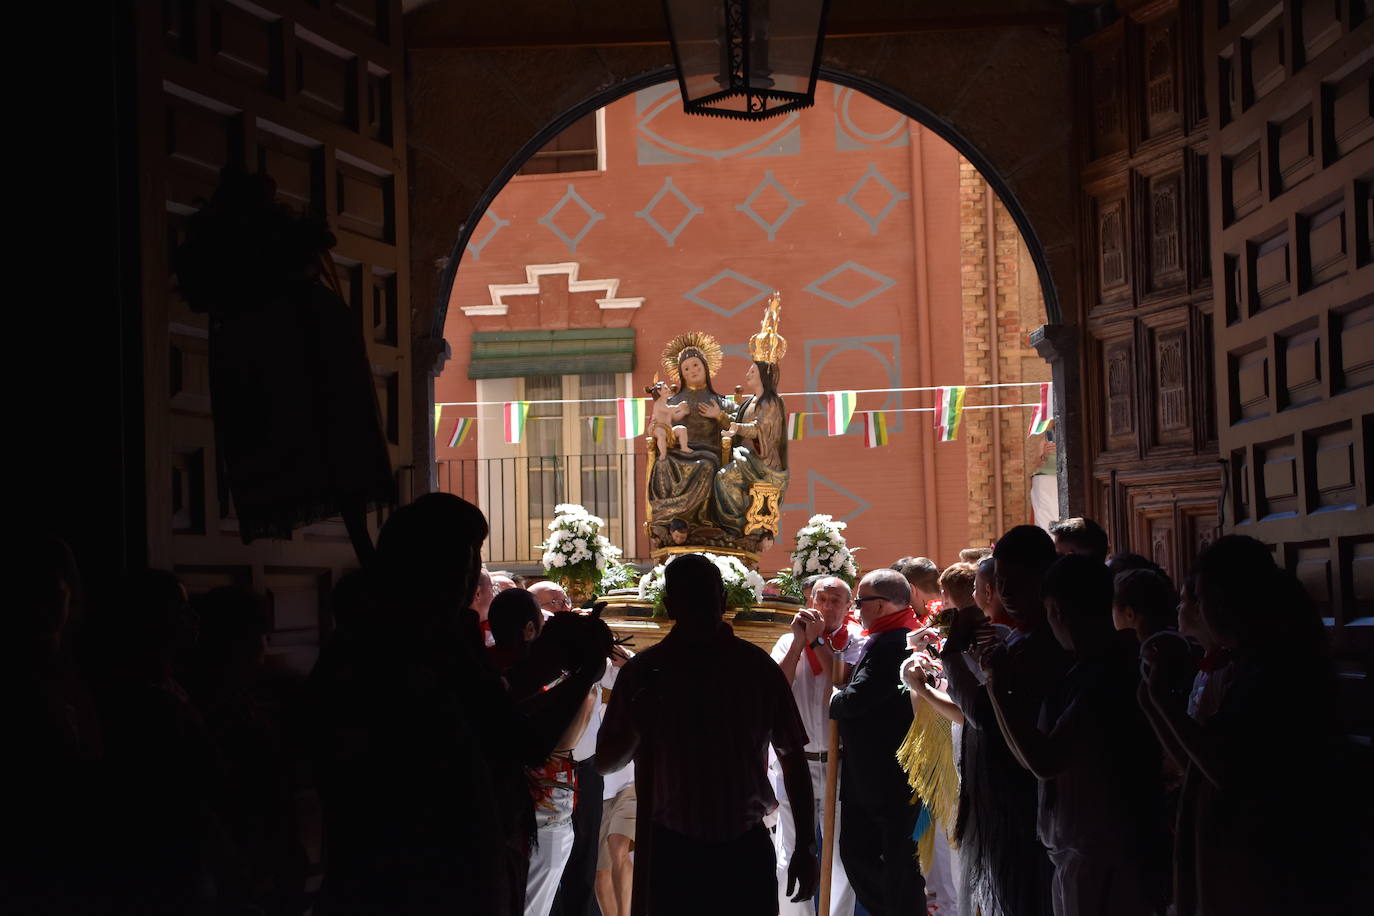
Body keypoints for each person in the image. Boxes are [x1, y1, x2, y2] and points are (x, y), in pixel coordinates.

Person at [308, 493, 603, 916]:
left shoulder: (382, 637)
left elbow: (500, 696)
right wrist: (584, 672)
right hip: (430, 865)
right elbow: (522, 739)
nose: (470, 575)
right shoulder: (427, 643)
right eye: (466, 557)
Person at [1138, 536, 1372, 916]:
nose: (1194, 607)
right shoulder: (1247, 664)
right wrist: (1152, 701)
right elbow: (1195, 764)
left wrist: (1163, 701)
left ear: (1228, 599)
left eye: (1199, 596)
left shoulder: (1273, 673)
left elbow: (1225, 770)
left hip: (1260, 861)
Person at [597, 553, 818, 916]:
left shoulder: (755, 668)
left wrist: (806, 846)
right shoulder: (644, 673)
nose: (701, 609)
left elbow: (792, 756)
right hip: (670, 848)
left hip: (743, 844)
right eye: (690, 599)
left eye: (707, 597)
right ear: (671, 606)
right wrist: (639, 718)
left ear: (723, 600)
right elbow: (606, 762)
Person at [987, 555, 1164, 916]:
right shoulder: (1082, 669)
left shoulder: (1107, 675)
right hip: (1079, 848)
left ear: (1058, 612)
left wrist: (997, 689)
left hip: (1104, 851)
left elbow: (1044, 760)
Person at [830, 569, 926, 916]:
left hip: (882, 778)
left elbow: (854, 701)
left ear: (882, 606)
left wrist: (832, 698)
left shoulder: (892, 644)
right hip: (878, 775)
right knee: (873, 859)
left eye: (860, 602)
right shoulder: (894, 637)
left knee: (877, 860)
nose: (857, 608)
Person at [769, 575, 864, 916]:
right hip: (797, 763)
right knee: (791, 850)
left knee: (841, 855)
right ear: (810, 602)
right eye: (821, 599)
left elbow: (843, 680)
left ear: (848, 606)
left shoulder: (854, 641)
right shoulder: (786, 640)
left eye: (836, 600)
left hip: (839, 762)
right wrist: (799, 643)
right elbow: (777, 685)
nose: (826, 606)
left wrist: (816, 643)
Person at [646, 339, 738, 540]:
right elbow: (654, 423)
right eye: (686, 369)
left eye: (696, 365)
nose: (692, 371)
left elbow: (738, 426)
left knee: (704, 466)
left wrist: (719, 416)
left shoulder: (721, 402)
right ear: (681, 374)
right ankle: (666, 520)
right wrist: (656, 429)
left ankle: (702, 522)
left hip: (707, 452)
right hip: (677, 450)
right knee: (662, 465)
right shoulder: (672, 401)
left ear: (705, 367)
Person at [715, 303, 790, 537]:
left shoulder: (770, 402)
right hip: (749, 460)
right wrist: (717, 416)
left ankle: (735, 525)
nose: (747, 374)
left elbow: (759, 430)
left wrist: (735, 427)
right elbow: (738, 422)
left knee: (724, 478)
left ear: (762, 375)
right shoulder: (750, 401)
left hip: (763, 465)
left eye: (752, 371)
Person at [594, 646, 636, 916]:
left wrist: (627, 663)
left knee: (619, 846)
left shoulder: (627, 670)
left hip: (630, 784)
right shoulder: (583, 681)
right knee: (600, 875)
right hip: (598, 790)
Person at [1029, 427, 1058, 532]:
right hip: (1045, 479)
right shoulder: (1048, 436)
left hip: (1063, 479)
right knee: (1046, 519)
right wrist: (1045, 454)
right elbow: (1038, 464)